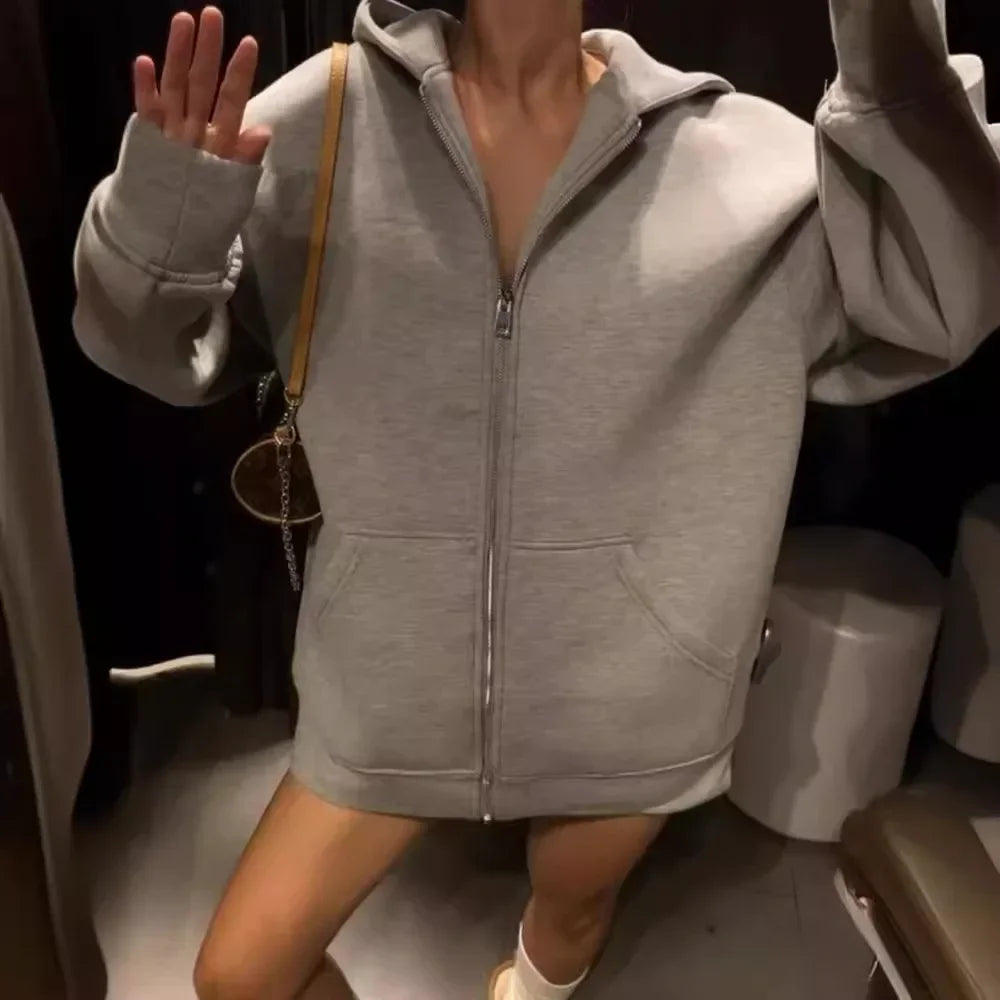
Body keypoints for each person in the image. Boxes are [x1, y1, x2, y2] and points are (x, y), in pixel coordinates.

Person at [72, 1, 1000, 997]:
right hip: (391, 682)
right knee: (242, 976)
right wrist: (161, 219)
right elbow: (149, 348)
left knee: (571, 914)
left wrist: (891, 45)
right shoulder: (321, 124)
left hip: (631, 694)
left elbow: (942, 296)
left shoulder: (740, 167)